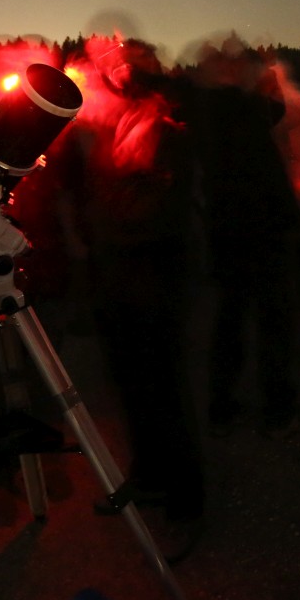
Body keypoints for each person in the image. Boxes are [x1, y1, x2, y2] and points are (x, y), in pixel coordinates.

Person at [62, 36, 208, 562]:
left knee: (163, 385)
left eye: (118, 55)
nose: (108, 65)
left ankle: (186, 504)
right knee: (127, 379)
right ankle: (147, 475)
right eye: (99, 57)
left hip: (154, 264)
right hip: (116, 266)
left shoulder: (167, 113)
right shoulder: (108, 113)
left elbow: (153, 201)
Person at [191, 37, 300, 439]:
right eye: (228, 62)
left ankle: (223, 403)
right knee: (270, 321)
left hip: (230, 228)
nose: (237, 66)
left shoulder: (214, 106)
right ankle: (276, 406)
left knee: (232, 320)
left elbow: (274, 108)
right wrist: (258, 73)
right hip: (259, 228)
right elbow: (272, 108)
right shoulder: (221, 105)